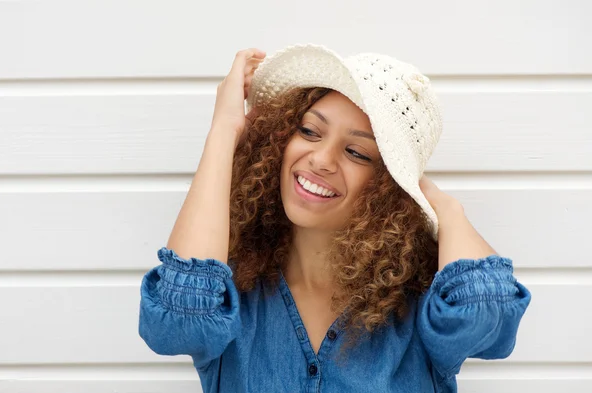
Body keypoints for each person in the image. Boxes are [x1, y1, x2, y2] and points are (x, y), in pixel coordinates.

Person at [138, 44, 531, 393]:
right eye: (309, 131)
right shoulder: (232, 294)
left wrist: (445, 208)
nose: (322, 160)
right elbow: (175, 323)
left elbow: (484, 313)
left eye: (358, 153)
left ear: (386, 187)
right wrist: (224, 132)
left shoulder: (419, 304)